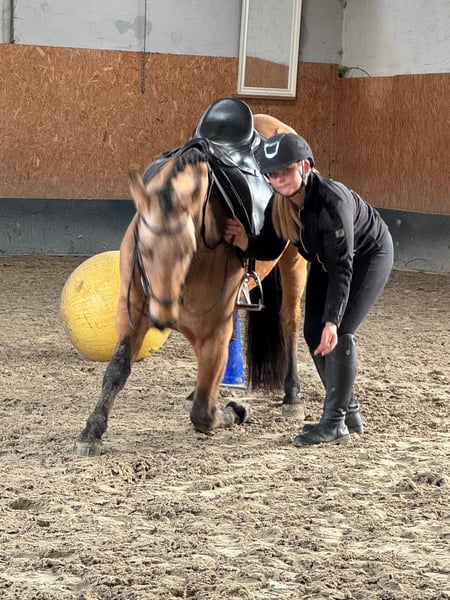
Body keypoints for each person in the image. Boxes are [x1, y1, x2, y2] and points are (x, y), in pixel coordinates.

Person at [224, 132, 394, 447]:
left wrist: (333, 320)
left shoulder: (331, 203)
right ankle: (349, 412)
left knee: (338, 331)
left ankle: (334, 423)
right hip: (326, 261)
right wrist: (246, 240)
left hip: (366, 257)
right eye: (272, 174)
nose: (278, 179)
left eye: (285, 171)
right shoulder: (281, 204)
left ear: (304, 167)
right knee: (312, 333)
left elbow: (343, 267)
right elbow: (271, 246)